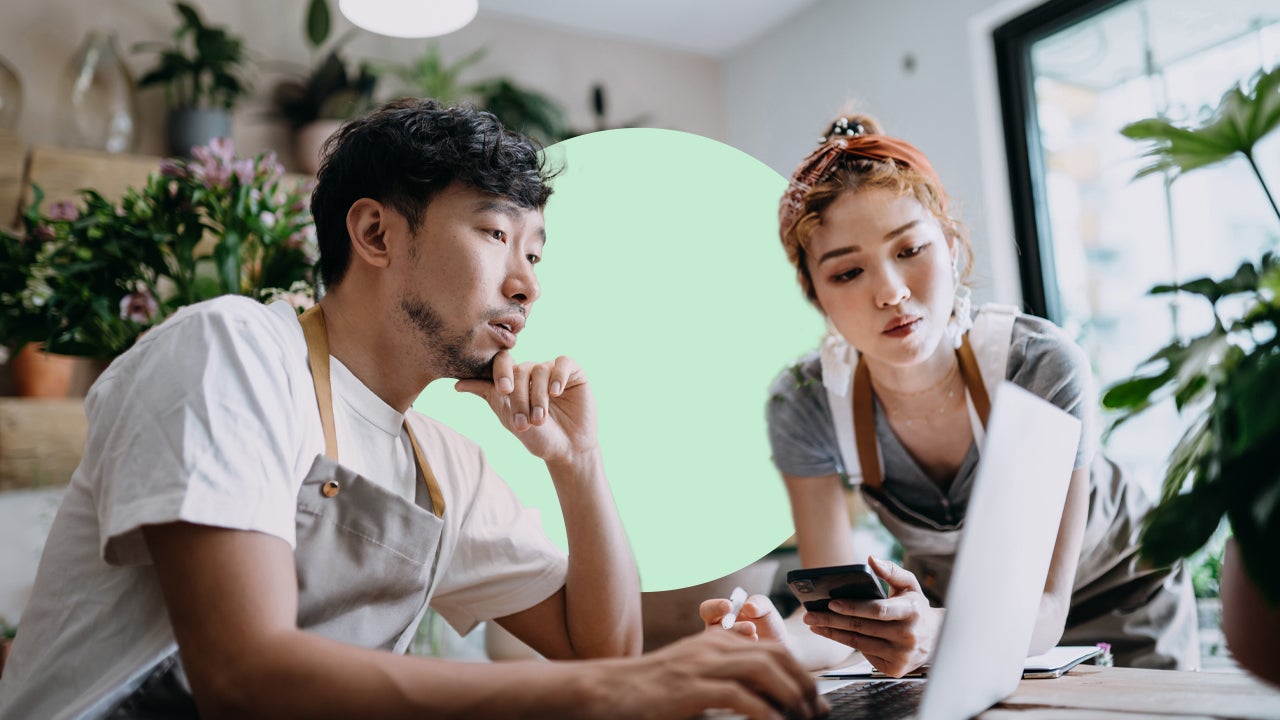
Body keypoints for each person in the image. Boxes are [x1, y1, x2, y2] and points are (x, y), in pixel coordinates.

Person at [0, 99, 821, 720]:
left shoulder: (440, 462)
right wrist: (613, 688)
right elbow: (243, 673)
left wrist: (578, 466)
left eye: (535, 254)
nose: (528, 282)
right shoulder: (233, 350)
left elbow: (604, 649)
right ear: (376, 233)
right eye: (496, 235)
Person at [700, 112, 1199, 676]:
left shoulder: (1038, 367)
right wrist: (777, 645)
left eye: (909, 250)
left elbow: (1045, 610)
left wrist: (936, 628)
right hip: (964, 612)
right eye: (846, 273)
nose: (889, 291)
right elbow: (839, 621)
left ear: (950, 243)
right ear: (814, 294)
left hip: (1120, 596)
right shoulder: (807, 401)